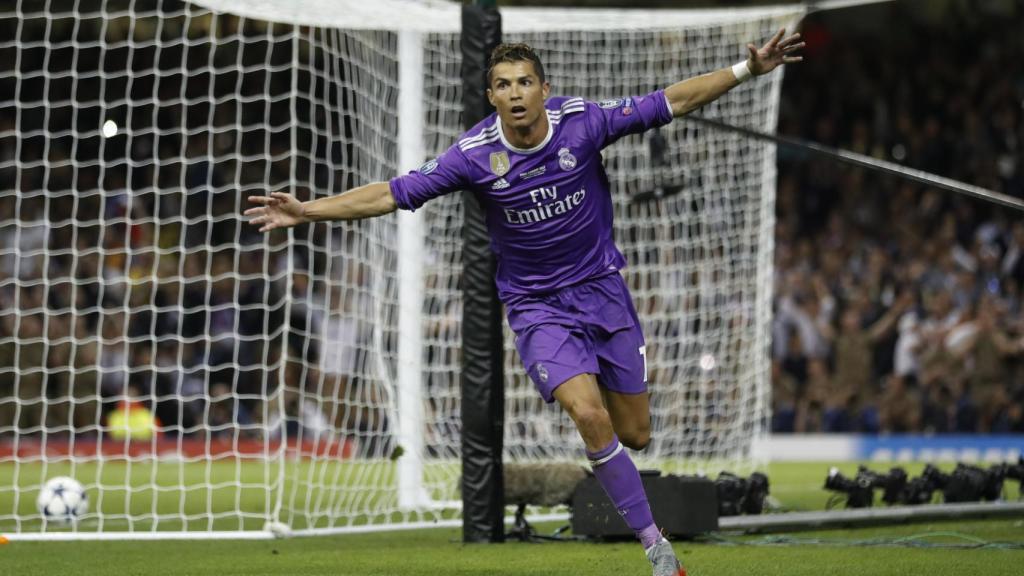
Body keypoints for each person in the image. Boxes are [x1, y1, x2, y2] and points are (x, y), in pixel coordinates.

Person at [247, 30, 802, 576]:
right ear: (491, 96)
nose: (515, 93)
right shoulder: (472, 155)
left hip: (604, 293)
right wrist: (308, 210)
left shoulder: (582, 122)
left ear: (543, 88)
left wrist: (748, 69)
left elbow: (672, 100)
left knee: (634, 434)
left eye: (525, 82)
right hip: (538, 307)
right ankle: (656, 549)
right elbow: (392, 192)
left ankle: (617, 460)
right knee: (588, 415)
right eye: (504, 85)